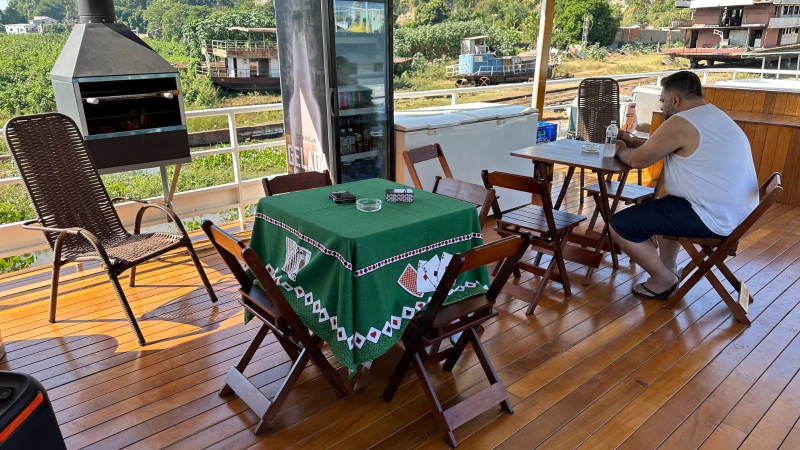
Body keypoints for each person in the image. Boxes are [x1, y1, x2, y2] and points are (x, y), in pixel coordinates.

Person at [608, 71, 759, 299]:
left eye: (663, 101)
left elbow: (638, 160)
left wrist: (620, 149)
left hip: (713, 218)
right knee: (664, 204)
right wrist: (632, 141)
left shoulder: (682, 121)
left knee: (620, 225)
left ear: (675, 100)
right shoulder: (713, 115)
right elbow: (664, 144)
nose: (662, 107)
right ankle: (668, 268)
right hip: (737, 215)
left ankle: (663, 278)